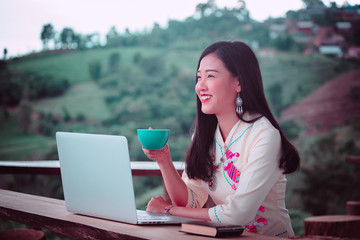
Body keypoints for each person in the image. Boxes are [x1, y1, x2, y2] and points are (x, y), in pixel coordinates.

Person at [142, 41, 300, 238]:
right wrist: (164, 160)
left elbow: (237, 215)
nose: (201, 86)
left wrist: (168, 211)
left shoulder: (264, 135)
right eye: (199, 77)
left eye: (210, 76)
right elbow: (190, 202)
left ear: (239, 83)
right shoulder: (204, 136)